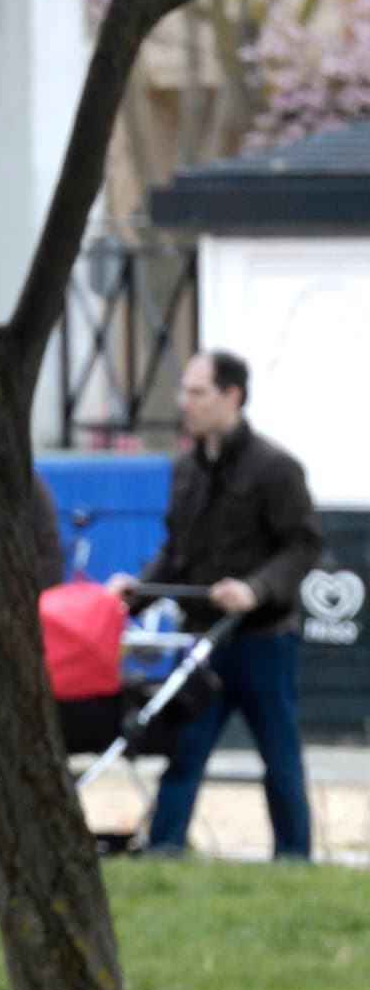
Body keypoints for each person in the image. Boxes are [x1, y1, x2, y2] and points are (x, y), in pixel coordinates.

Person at [109, 350, 322, 858]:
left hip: (263, 641)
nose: (184, 402)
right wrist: (135, 595)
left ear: (233, 396)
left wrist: (256, 589)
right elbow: (176, 553)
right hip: (201, 641)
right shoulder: (187, 469)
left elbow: (304, 545)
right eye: (183, 390)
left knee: (280, 757)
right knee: (186, 750)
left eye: (196, 392)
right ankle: (163, 854)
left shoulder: (276, 468)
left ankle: (295, 860)